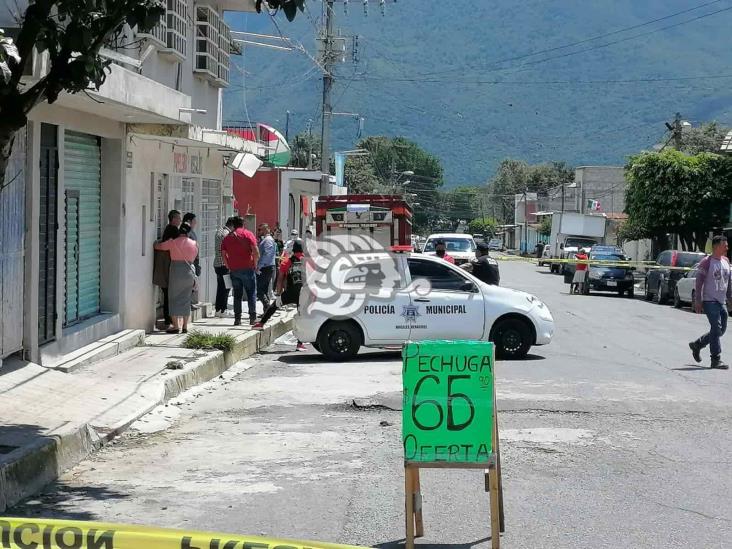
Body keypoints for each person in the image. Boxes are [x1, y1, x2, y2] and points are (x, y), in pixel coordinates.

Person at [253, 240, 306, 351]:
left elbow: (281, 278)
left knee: (275, 305)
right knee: (302, 317)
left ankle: (261, 323)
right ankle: (300, 344)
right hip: (304, 293)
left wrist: (279, 293)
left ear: (293, 250)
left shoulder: (287, 261)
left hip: (291, 292)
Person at [689, 235, 731, 370]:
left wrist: (730, 298)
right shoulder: (706, 262)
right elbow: (699, 282)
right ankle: (715, 359)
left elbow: (728, 282)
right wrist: (698, 300)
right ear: (716, 246)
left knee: (720, 330)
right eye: (725, 245)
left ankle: (697, 344)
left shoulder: (726, 261)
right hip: (709, 300)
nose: (727, 247)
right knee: (716, 328)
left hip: (721, 301)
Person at [154, 223, 198, 334]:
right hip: (189, 271)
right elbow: (195, 256)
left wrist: (157, 241)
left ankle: (175, 326)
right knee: (186, 299)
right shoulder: (194, 243)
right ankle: (185, 326)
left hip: (176, 271)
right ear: (188, 232)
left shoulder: (172, 242)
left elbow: (158, 247)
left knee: (173, 298)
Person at [221, 216, 260, 326]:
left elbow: (223, 254)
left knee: (237, 294)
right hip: (248, 268)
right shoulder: (248, 234)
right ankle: (252, 317)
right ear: (243, 224)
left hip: (234, 269)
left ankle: (237, 319)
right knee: (251, 292)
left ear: (233, 225)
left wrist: (228, 266)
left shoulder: (227, 237)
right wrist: (256, 265)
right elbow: (256, 251)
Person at [156, 210, 181, 329]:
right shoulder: (174, 230)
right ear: (174, 219)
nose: (180, 221)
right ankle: (170, 319)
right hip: (169, 266)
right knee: (170, 294)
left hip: (165, 266)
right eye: (178, 218)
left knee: (167, 294)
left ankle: (169, 318)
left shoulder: (168, 229)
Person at [214, 217, 235, 318]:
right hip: (224, 264)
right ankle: (223, 310)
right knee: (226, 287)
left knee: (220, 287)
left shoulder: (219, 231)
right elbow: (228, 251)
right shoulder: (227, 234)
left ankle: (218, 309)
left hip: (217, 264)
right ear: (232, 225)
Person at [256, 223, 277, 310]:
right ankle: (266, 311)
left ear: (265, 229)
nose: (258, 232)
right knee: (264, 290)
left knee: (259, 290)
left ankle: (268, 306)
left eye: (260, 230)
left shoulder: (267, 240)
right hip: (267, 267)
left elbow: (267, 255)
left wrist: (259, 266)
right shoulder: (266, 240)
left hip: (265, 268)